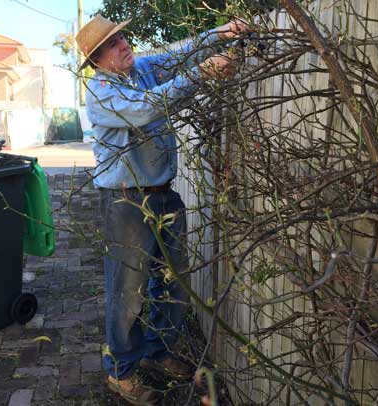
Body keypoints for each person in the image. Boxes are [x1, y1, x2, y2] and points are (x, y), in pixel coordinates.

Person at [75, 14, 249, 405]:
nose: (124, 46)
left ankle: (158, 351)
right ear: (98, 60)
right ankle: (122, 371)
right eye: (113, 44)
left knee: (172, 282)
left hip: (163, 193)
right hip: (127, 202)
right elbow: (148, 107)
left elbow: (179, 54)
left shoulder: (141, 70)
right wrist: (202, 74)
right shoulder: (103, 90)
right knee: (127, 292)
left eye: (122, 38)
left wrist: (219, 34)